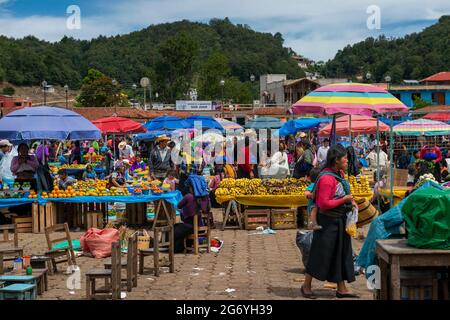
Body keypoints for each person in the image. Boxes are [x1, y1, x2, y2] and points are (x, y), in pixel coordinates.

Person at [301, 144, 358, 299]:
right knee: (320, 253)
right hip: (327, 221)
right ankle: (306, 285)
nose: (347, 160)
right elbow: (324, 203)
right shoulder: (327, 178)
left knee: (340, 253)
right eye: (344, 158)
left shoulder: (338, 174)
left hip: (339, 220)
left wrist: (350, 202)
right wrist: (344, 199)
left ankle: (342, 288)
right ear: (336, 160)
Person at [174, 173, 210, 253]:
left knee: (172, 230)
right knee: (179, 228)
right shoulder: (206, 198)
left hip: (190, 227)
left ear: (191, 186)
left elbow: (178, 206)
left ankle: (177, 249)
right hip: (202, 228)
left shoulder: (189, 196)